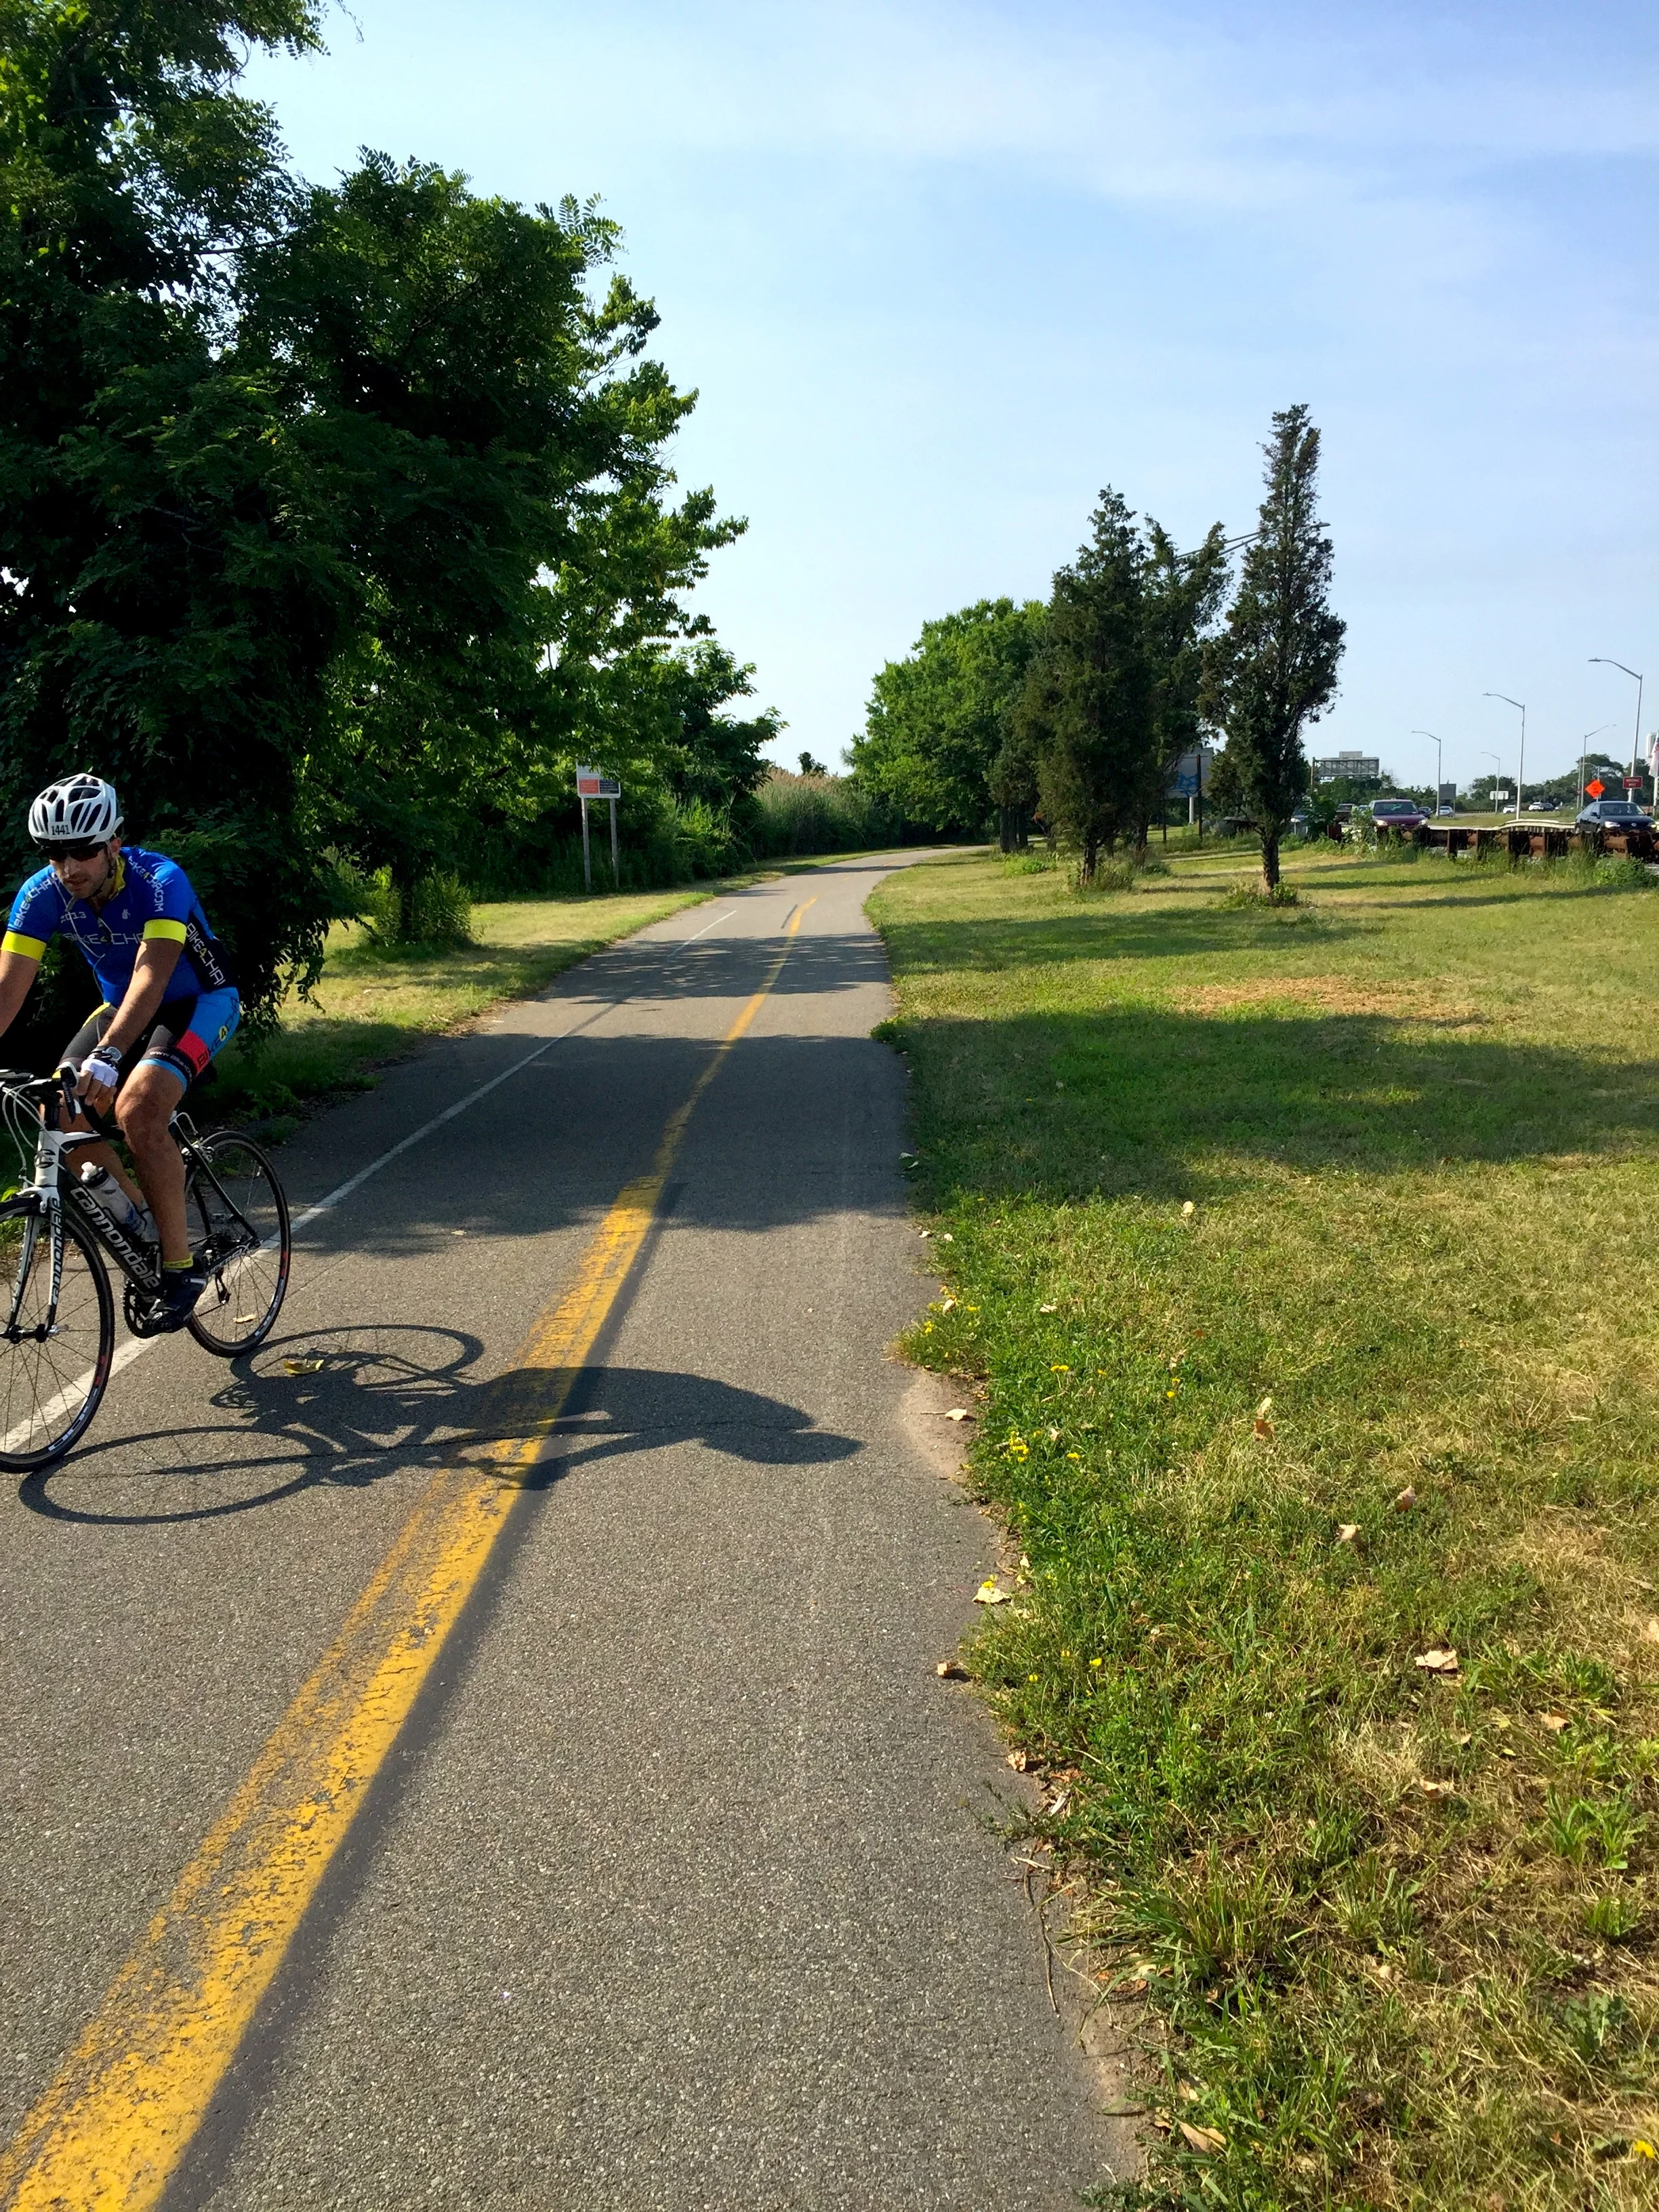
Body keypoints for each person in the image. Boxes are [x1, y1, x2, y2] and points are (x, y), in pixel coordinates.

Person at [0, 773, 241, 1329]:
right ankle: (149, 1228)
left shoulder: (162, 881)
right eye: (56, 854)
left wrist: (109, 1056)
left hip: (196, 1002)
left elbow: (152, 975)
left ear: (114, 842)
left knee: (138, 1108)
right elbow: (9, 990)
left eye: (83, 850)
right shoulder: (42, 893)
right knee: (57, 1112)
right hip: (121, 1006)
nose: (70, 868)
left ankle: (182, 1271)